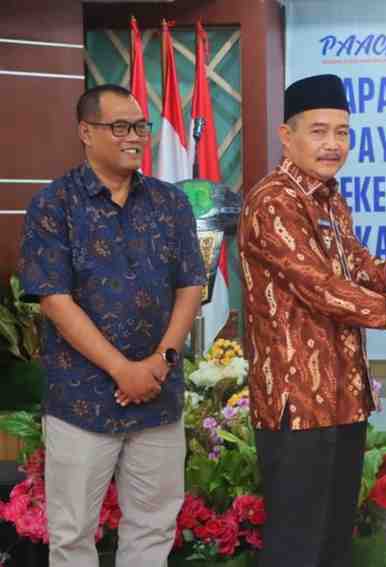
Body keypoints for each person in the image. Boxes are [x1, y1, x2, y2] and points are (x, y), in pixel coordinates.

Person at [238, 74, 386, 566]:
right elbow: (323, 289)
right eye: (319, 131)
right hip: (296, 400)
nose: (332, 145)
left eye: (342, 132)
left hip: (343, 399)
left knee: (332, 543)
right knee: (296, 545)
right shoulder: (274, 201)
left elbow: (356, 269)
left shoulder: (330, 197)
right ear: (287, 135)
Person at [18, 84, 206, 566]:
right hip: (82, 400)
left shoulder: (171, 203)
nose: (135, 137)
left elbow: (190, 286)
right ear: (86, 132)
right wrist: (123, 369)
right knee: (73, 534)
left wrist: (161, 362)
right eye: (119, 126)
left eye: (140, 126)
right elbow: (55, 301)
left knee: (153, 529)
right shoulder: (53, 205)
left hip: (158, 400)